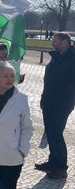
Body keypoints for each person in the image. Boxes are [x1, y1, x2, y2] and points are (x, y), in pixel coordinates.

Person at [36, 32, 75, 179]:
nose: (53, 43)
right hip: (49, 101)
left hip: (62, 103)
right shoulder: (57, 57)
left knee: (56, 133)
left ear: (66, 42)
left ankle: (61, 168)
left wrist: (59, 95)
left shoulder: (72, 58)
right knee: (50, 133)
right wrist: (44, 98)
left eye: (56, 40)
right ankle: (53, 162)